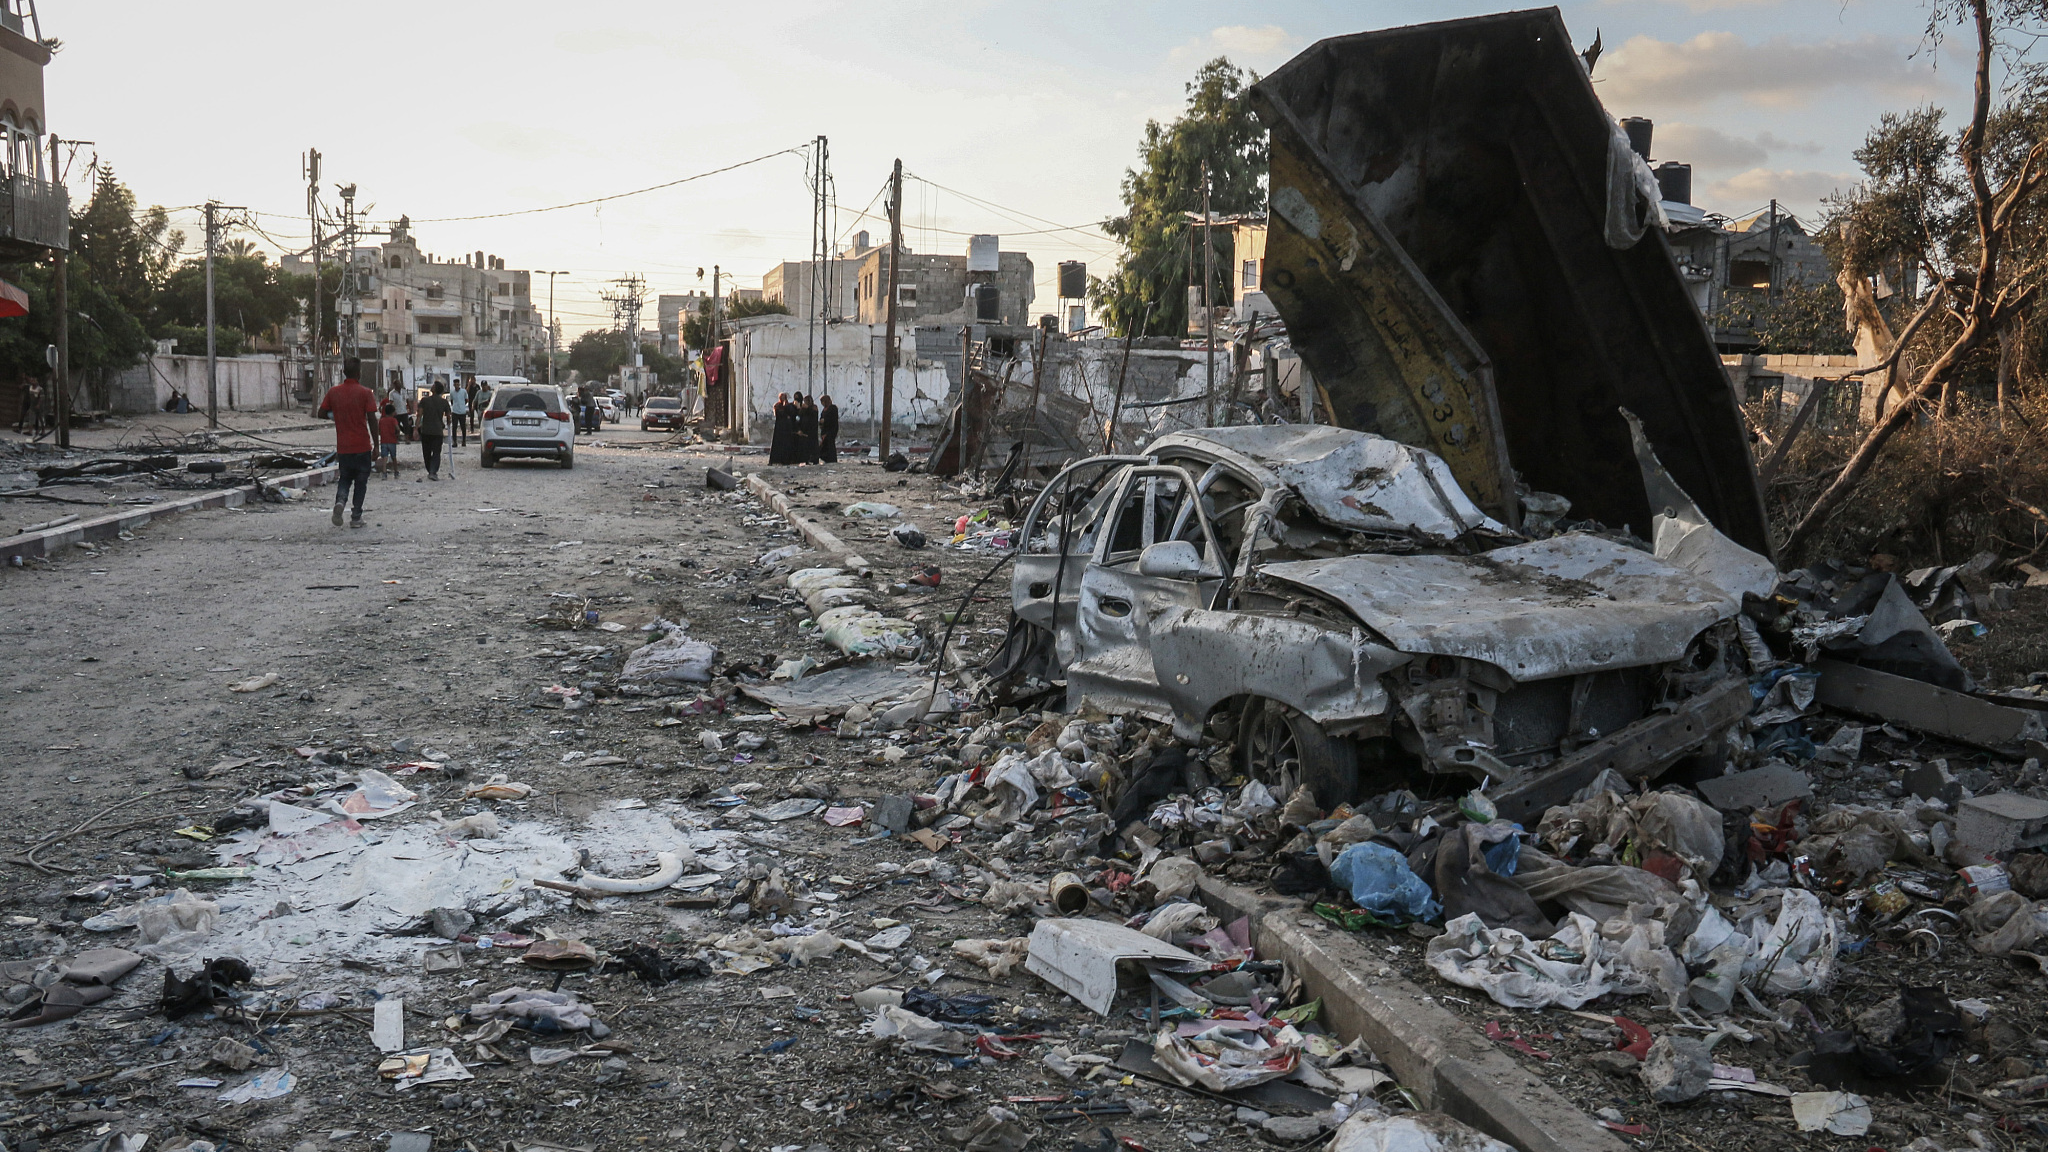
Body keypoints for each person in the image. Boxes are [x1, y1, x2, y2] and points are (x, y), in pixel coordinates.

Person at [318, 356, 379, 528]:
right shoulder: (366, 393)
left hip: (344, 447)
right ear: (359, 373)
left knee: (345, 479)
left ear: (344, 372)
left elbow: (321, 413)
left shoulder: (334, 392)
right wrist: (377, 445)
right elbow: (372, 419)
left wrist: (336, 414)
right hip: (362, 446)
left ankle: (340, 501)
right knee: (361, 482)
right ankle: (356, 517)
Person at [418, 381, 452, 481]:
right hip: (438, 431)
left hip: (426, 431)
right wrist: (448, 424)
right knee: (436, 452)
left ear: (435, 389)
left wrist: (416, 427)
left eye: (433, 385)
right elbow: (449, 416)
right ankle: (433, 471)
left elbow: (419, 414)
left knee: (426, 452)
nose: (431, 387)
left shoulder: (424, 400)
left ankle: (430, 470)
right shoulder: (444, 402)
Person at [769, 392, 794, 464]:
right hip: (779, 427)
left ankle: (786, 460)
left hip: (786, 428)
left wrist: (786, 407)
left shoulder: (789, 405)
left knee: (786, 444)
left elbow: (790, 414)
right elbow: (779, 414)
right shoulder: (777, 405)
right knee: (778, 444)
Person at [376, 403, 400, 478]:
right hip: (392, 441)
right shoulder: (394, 420)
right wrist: (397, 435)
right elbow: (397, 429)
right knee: (393, 457)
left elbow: (378, 431)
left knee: (384, 457)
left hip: (383, 441)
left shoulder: (381, 420)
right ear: (392, 412)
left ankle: (384, 472)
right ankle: (396, 472)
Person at [795, 392, 819, 465]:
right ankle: (805, 460)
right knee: (804, 447)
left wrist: (808, 408)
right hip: (804, 431)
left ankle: (814, 459)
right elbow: (798, 418)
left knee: (813, 446)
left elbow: (814, 415)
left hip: (812, 432)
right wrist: (798, 429)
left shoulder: (813, 408)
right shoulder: (802, 409)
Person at [448, 377, 470, 447]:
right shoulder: (452, 392)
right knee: (454, 427)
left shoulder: (463, 391)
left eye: (458, 384)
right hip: (455, 412)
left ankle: (464, 441)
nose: (457, 385)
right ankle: (454, 441)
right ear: (454, 385)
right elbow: (451, 401)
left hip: (462, 412)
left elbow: (466, 400)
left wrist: (462, 405)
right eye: (455, 384)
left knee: (463, 427)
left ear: (459, 384)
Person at [818, 393, 839, 463]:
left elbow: (833, 419)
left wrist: (825, 420)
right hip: (825, 429)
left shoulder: (833, 408)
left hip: (831, 429)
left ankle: (832, 459)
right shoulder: (824, 409)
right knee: (825, 445)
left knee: (830, 444)